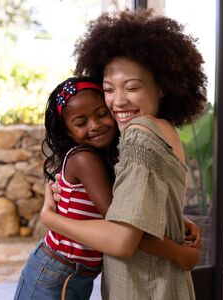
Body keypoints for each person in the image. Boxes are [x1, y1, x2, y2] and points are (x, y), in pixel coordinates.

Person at [41, 9, 208, 300]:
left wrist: (51, 219)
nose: (117, 101)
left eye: (132, 87)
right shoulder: (163, 129)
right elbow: (144, 203)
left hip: (142, 287)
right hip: (166, 283)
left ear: (162, 86)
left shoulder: (138, 134)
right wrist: (176, 222)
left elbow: (121, 241)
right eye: (108, 89)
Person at [15, 76, 200, 300]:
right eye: (81, 123)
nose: (95, 125)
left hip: (72, 273)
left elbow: (131, 205)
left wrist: (180, 222)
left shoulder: (105, 158)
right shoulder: (85, 159)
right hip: (56, 272)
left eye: (102, 114)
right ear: (68, 132)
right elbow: (122, 223)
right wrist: (178, 254)